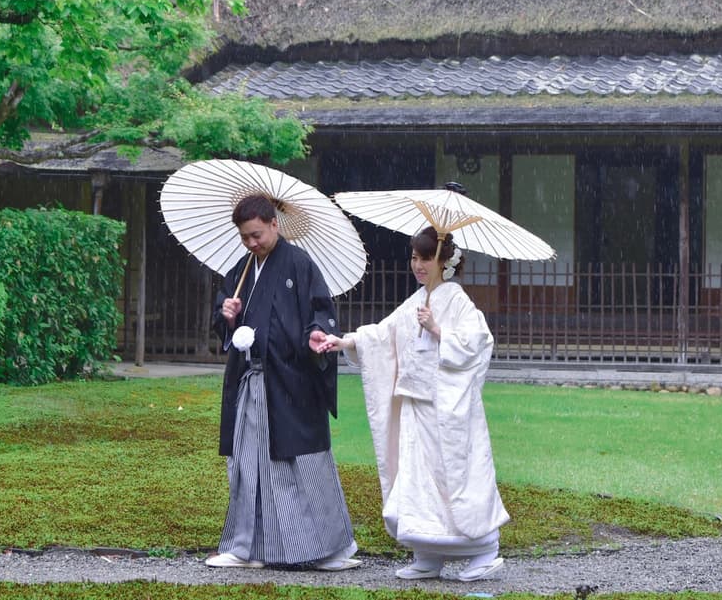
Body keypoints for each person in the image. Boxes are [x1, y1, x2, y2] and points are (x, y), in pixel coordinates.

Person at [314, 225, 509, 582]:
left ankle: (483, 548)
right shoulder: (416, 301)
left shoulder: (457, 300)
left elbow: (478, 341)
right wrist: (343, 341)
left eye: (425, 258)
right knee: (417, 478)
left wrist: (438, 330)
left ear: (444, 262)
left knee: (456, 476)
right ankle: (428, 551)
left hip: (447, 406)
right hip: (416, 405)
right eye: (415, 258)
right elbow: (384, 333)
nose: (418, 265)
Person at [206, 193, 361, 571]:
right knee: (248, 464)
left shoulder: (300, 264)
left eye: (257, 234)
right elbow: (225, 322)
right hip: (250, 382)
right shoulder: (242, 270)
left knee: (299, 464)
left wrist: (315, 336)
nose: (251, 243)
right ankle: (247, 547)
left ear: (275, 224)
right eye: (244, 237)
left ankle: (325, 549)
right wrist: (227, 315)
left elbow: (322, 313)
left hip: (292, 383)